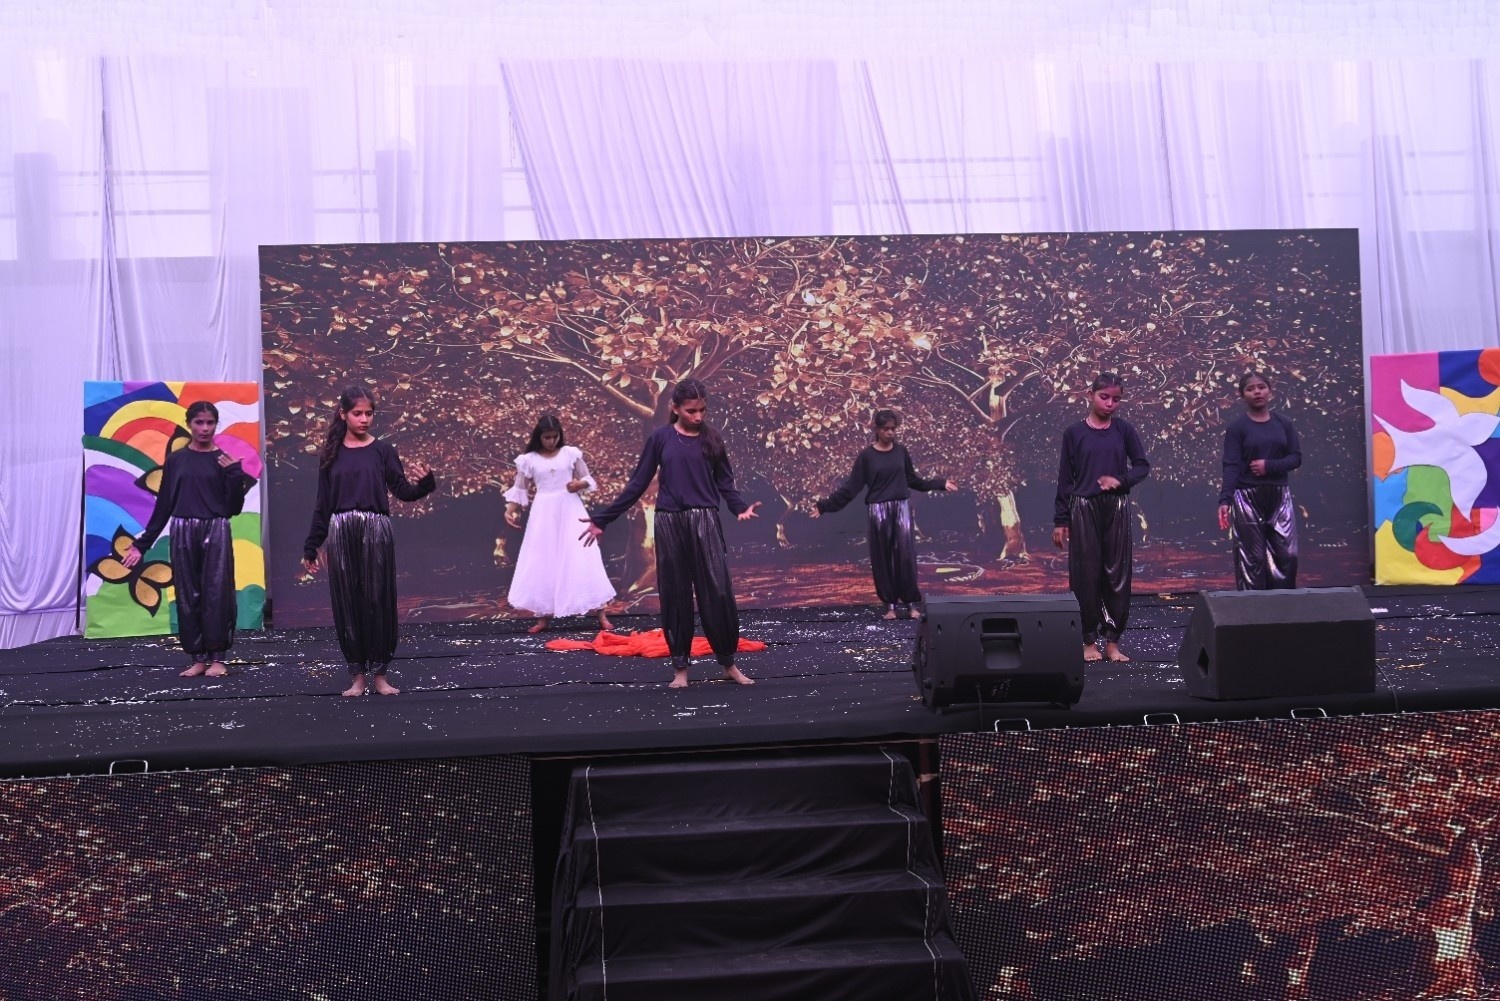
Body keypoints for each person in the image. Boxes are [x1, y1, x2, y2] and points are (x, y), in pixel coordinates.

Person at [579, 379, 760, 688]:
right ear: (675, 408)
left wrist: (739, 507)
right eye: (691, 411)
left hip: (704, 520)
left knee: (717, 592)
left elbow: (724, 481)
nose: (698, 416)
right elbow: (638, 483)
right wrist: (603, 519)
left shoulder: (712, 438)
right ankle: (680, 669)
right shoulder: (661, 438)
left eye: (702, 410)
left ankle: (728, 663)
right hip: (669, 522)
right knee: (675, 594)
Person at [302, 386, 435, 696]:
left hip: (376, 531)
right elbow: (323, 504)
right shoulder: (331, 454)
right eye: (357, 413)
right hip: (341, 531)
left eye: (369, 413)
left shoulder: (383, 451)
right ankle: (357, 677)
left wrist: (425, 485)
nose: (364, 419)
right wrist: (312, 545)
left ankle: (380, 675)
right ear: (343, 415)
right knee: (348, 602)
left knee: (378, 600)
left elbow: (403, 491)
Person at [124, 401, 255, 678]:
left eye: (210, 423)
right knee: (187, 593)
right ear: (189, 424)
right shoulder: (176, 460)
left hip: (215, 530)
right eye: (199, 422)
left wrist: (234, 475)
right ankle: (197, 657)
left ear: (216, 425)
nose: (205, 428)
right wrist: (142, 545)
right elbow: (164, 504)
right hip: (183, 530)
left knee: (216, 594)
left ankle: (217, 658)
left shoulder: (223, 460)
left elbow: (232, 509)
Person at [810, 409, 960, 619]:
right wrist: (824, 506)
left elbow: (913, 480)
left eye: (893, 429)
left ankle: (911, 605)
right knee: (883, 557)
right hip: (878, 510)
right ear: (877, 430)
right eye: (886, 429)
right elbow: (851, 488)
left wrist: (940, 483)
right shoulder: (867, 457)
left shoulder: (901, 452)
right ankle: (890, 606)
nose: (890, 433)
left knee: (905, 557)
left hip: (901, 508)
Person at [1052, 373, 1150, 662]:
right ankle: (1088, 640)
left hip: (1116, 507)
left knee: (1117, 574)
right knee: (1086, 574)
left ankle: (1112, 642)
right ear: (1090, 395)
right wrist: (1061, 519)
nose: (1110, 404)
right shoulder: (1074, 433)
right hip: (1083, 507)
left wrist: (1120, 480)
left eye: (1116, 399)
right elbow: (1065, 478)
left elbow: (1142, 466)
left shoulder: (1124, 430)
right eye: (1104, 397)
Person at [504, 413, 616, 634]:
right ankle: (543, 617)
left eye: (555, 436)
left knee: (581, 554)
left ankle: (601, 613)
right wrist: (509, 510)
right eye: (547, 437)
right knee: (543, 557)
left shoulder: (570, 454)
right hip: (543, 513)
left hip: (570, 509)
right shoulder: (529, 460)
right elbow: (520, 488)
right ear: (539, 436)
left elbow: (588, 479)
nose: (551, 441)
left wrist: (579, 485)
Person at [1217, 372, 1301, 590]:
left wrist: (1269, 466)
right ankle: (1252, 606)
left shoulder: (1284, 423)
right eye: (1250, 389)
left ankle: (1284, 603)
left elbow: (1296, 457)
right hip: (1247, 497)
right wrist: (1225, 500)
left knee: (1287, 554)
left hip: (1279, 495)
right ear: (1242, 395)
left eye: (1261, 387)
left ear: (1270, 391)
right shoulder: (1237, 428)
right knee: (1252, 558)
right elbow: (1231, 465)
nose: (1257, 392)